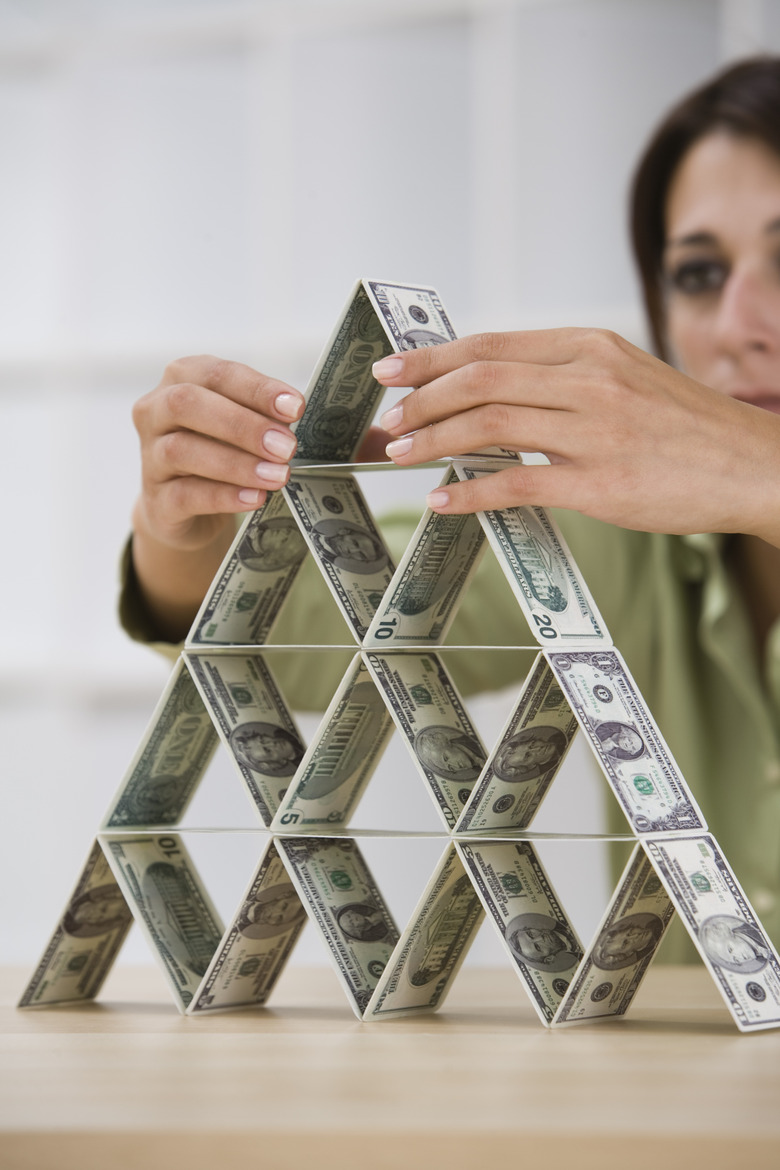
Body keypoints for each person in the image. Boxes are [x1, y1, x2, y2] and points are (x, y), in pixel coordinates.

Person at [122, 57, 780, 960]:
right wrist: (188, 519)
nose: (745, 321)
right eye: (700, 273)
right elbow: (305, 638)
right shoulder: (611, 523)